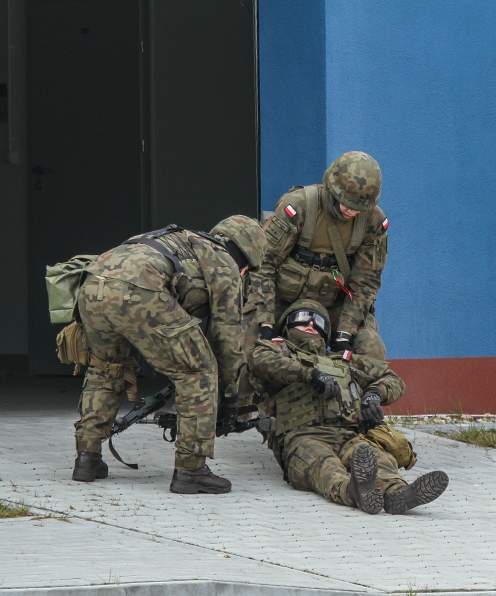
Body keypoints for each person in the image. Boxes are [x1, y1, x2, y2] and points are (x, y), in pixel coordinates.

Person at [71, 216, 265, 494]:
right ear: (247, 261)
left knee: (106, 368)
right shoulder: (225, 264)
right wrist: (231, 393)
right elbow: (227, 338)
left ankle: (87, 459)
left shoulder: (184, 241)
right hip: (139, 289)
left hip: (91, 285)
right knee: (198, 372)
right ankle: (191, 470)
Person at [248, 299, 449, 514]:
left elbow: (391, 378)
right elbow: (260, 360)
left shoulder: (341, 361)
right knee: (323, 465)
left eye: (318, 322)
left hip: (348, 434)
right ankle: (352, 490)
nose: (310, 324)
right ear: (286, 325)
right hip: (303, 436)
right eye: (301, 318)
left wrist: (374, 394)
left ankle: (398, 493)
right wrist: (310, 375)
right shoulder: (278, 352)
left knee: (375, 456)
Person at [251, 151, 389, 360]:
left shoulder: (373, 221)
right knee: (246, 346)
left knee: (372, 348)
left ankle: (362, 392)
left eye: (359, 208)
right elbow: (264, 265)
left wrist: (345, 333)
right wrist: (266, 324)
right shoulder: (299, 206)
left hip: (335, 307)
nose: (352, 212)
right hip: (281, 301)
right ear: (334, 191)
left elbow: (366, 282)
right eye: (348, 204)